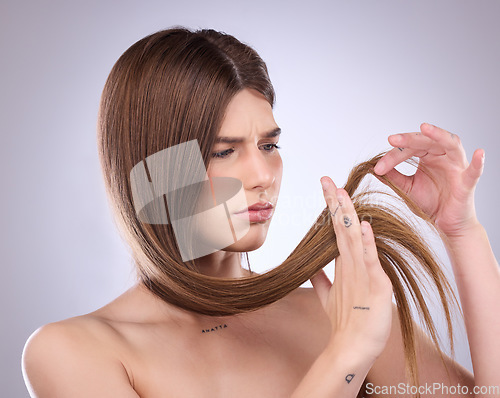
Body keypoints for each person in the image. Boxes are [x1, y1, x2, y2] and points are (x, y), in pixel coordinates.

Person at [21, 26, 499, 398]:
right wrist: (347, 357)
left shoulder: (343, 311)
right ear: (152, 170)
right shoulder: (76, 352)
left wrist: (462, 230)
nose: (262, 174)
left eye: (269, 144)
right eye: (223, 151)